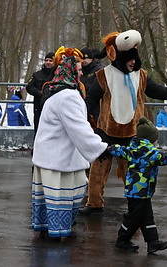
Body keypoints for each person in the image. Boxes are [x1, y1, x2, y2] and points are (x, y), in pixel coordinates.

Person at [80, 29, 167, 215]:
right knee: (97, 172)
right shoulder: (103, 75)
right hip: (106, 132)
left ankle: (134, 208)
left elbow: (158, 91)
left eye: (135, 58)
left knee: (132, 174)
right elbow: (91, 100)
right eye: (129, 59)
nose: (133, 62)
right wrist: (84, 120)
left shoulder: (140, 75)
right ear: (120, 57)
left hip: (132, 133)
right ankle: (94, 204)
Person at [31, 55, 108, 240]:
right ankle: (56, 234)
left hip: (51, 156)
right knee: (63, 196)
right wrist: (101, 149)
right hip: (59, 159)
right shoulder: (68, 97)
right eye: (79, 71)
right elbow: (79, 129)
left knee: (48, 197)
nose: (81, 74)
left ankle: (47, 229)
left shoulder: (56, 93)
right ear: (70, 72)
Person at [108, 117, 167, 253]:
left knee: (146, 216)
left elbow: (118, 149)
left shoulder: (132, 149)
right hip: (140, 192)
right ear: (150, 139)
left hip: (136, 191)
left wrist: (108, 148)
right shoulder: (150, 153)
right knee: (134, 217)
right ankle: (122, 240)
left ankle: (152, 242)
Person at [26, 52, 55, 135]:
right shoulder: (37, 75)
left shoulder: (58, 75)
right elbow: (29, 87)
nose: (48, 62)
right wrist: (39, 93)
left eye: (50, 60)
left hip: (53, 108)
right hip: (39, 107)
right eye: (46, 60)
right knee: (38, 131)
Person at [80, 47, 104, 126]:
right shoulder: (79, 71)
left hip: (96, 108)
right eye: (81, 58)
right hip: (82, 105)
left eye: (85, 58)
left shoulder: (98, 71)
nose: (83, 61)